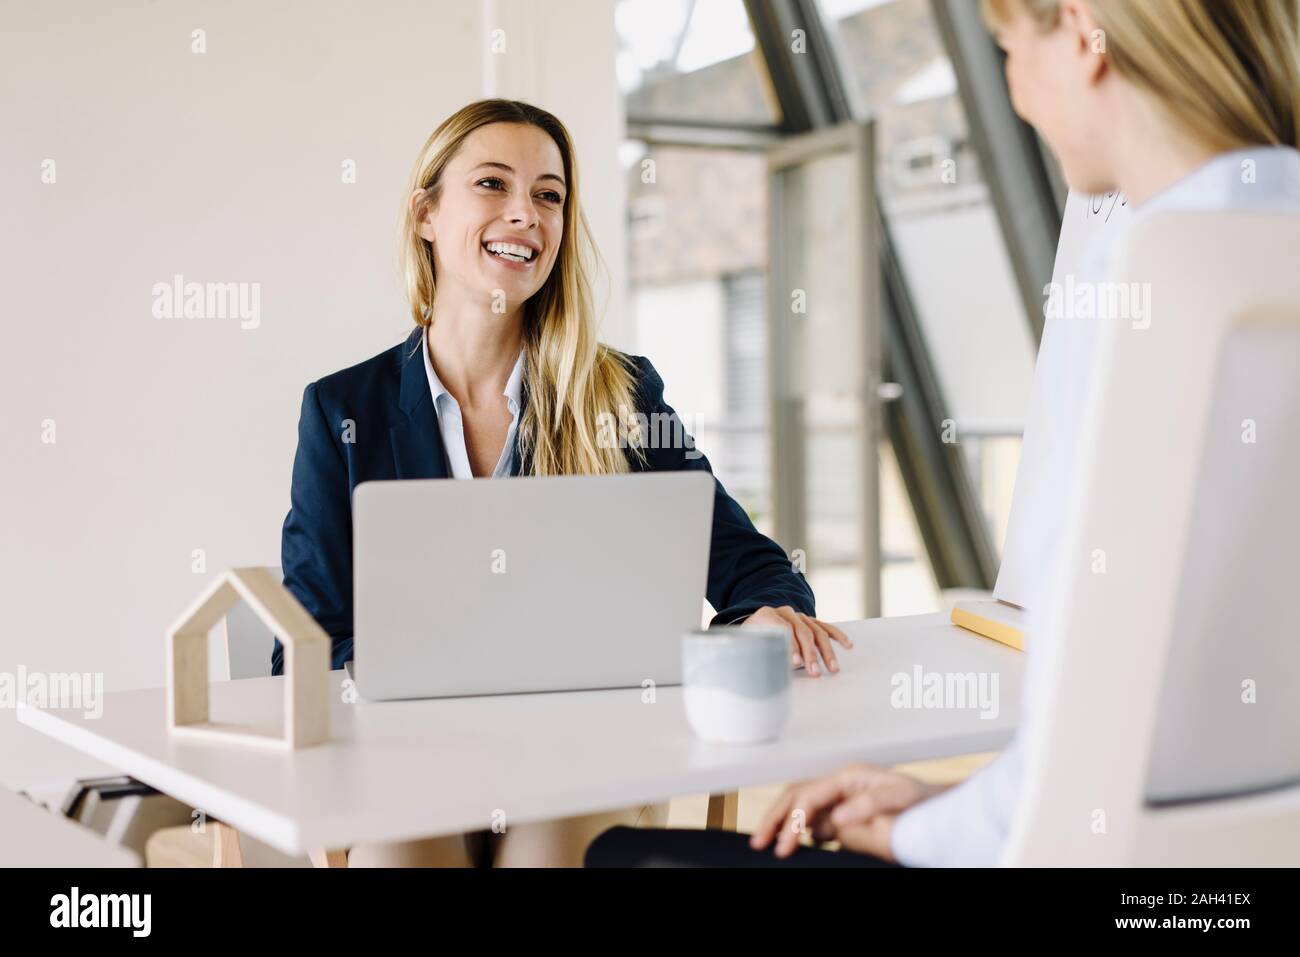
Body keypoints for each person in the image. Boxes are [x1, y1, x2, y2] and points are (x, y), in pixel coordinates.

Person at [586, 0, 1300, 867]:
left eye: (1006, 47)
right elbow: (1163, 724)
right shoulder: (1266, 257)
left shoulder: (1138, 276)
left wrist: (916, 830)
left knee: (632, 856)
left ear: (1082, 34)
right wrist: (952, 796)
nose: (1018, 94)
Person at [274, 98, 851, 866]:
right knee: (402, 852)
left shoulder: (621, 393)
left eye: (549, 195)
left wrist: (756, 622)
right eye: (491, 184)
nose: (525, 214)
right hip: (407, 759)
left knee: (549, 851)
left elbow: (750, 563)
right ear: (426, 214)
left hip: (581, 758)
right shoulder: (342, 409)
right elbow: (302, 643)